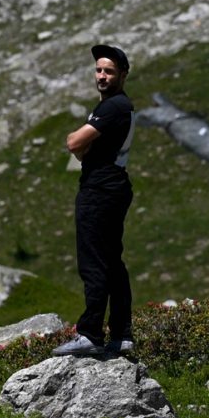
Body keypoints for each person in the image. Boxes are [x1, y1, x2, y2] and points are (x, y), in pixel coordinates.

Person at [53, 45, 136, 356]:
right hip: (113, 185)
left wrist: (80, 143)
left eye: (109, 71)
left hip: (99, 188)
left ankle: (89, 334)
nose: (102, 76)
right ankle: (121, 333)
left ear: (123, 75)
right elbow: (81, 148)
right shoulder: (120, 106)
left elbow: (74, 143)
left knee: (93, 261)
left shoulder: (113, 106)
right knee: (112, 260)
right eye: (99, 70)